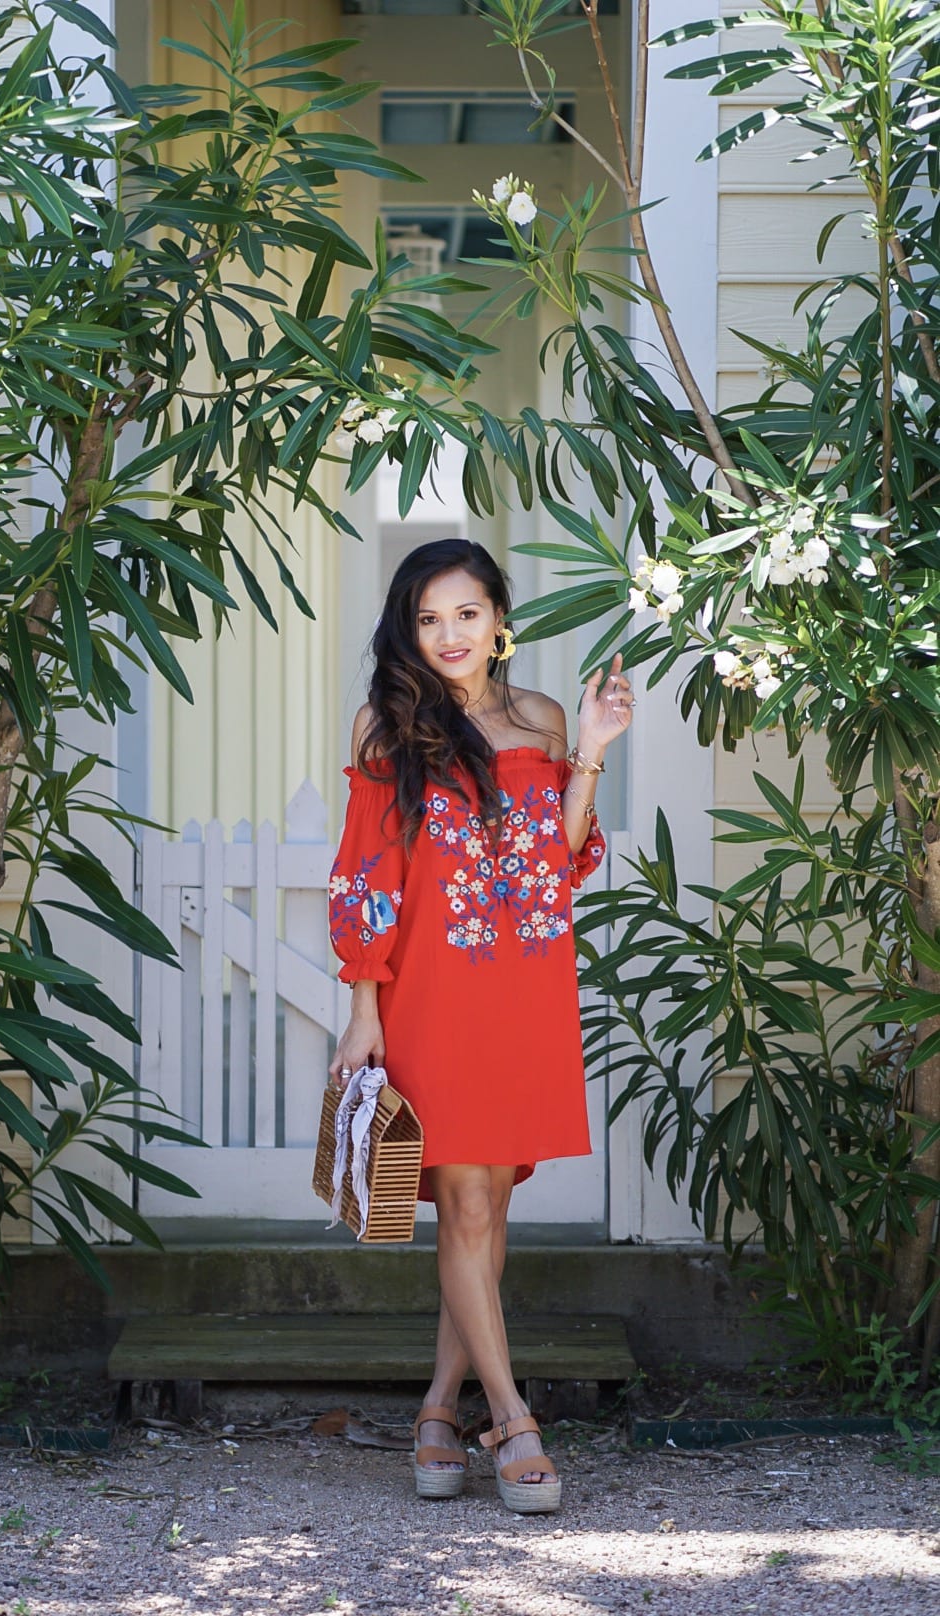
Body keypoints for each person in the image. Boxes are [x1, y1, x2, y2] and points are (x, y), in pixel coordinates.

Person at [326, 538, 633, 1515]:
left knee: (490, 1208)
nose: (448, 635)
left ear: (501, 617)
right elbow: (366, 871)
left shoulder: (538, 717)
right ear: (408, 630)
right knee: (461, 1206)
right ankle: (512, 1416)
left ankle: (433, 1407)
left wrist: (589, 747)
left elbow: (563, 852)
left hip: (526, 986)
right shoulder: (391, 724)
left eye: (466, 613)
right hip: (434, 994)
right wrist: (364, 1007)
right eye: (427, 618)